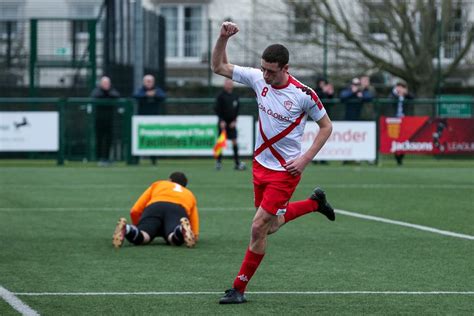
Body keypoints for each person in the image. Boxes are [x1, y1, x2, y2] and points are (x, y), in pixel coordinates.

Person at [211, 21, 335, 304]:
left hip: (286, 170)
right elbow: (219, 67)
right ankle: (315, 203)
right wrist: (222, 39)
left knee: (257, 228)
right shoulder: (257, 79)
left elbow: (326, 127)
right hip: (260, 165)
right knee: (272, 225)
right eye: (263, 68)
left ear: (285, 68)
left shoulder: (304, 95)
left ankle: (238, 288)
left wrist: (304, 160)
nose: (265, 75)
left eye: (271, 70)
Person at [112, 171, 199, 248]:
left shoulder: (159, 184)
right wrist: (194, 235)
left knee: (144, 236)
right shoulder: (189, 193)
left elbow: (135, 210)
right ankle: (180, 229)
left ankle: (127, 229)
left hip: (155, 207)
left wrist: (138, 226)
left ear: (169, 180)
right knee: (172, 238)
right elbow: (194, 219)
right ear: (184, 186)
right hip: (177, 209)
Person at [133, 74, 167, 165]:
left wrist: (154, 94)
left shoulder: (157, 89)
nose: (148, 83)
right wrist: (146, 94)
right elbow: (136, 95)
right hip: (141, 120)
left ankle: (154, 159)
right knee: (139, 140)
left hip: (154, 120)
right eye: (147, 81)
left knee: (153, 139)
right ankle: (136, 159)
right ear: (144, 82)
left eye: (150, 81)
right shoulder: (141, 90)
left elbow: (163, 96)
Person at [215, 78, 246, 171]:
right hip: (223, 123)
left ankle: (237, 163)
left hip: (232, 123)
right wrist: (221, 121)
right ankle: (218, 163)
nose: (229, 84)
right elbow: (217, 109)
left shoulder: (235, 96)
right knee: (221, 143)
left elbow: (237, 110)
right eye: (227, 83)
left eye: (230, 83)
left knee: (234, 142)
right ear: (224, 85)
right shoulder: (220, 96)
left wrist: (235, 121)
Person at [90, 76, 121, 166]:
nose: (106, 85)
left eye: (107, 83)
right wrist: (107, 94)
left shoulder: (112, 90)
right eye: (104, 83)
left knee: (109, 139)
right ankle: (99, 158)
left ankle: (107, 158)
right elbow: (95, 96)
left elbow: (116, 95)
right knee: (99, 139)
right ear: (100, 84)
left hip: (110, 120)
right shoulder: (97, 90)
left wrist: (107, 93)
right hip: (99, 120)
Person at [388, 81, 414, 166]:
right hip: (394, 120)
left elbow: (413, 97)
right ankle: (397, 157)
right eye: (400, 87)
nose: (401, 89)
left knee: (404, 139)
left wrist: (405, 94)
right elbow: (390, 100)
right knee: (395, 139)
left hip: (404, 120)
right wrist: (397, 95)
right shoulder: (392, 94)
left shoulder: (405, 95)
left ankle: (401, 158)